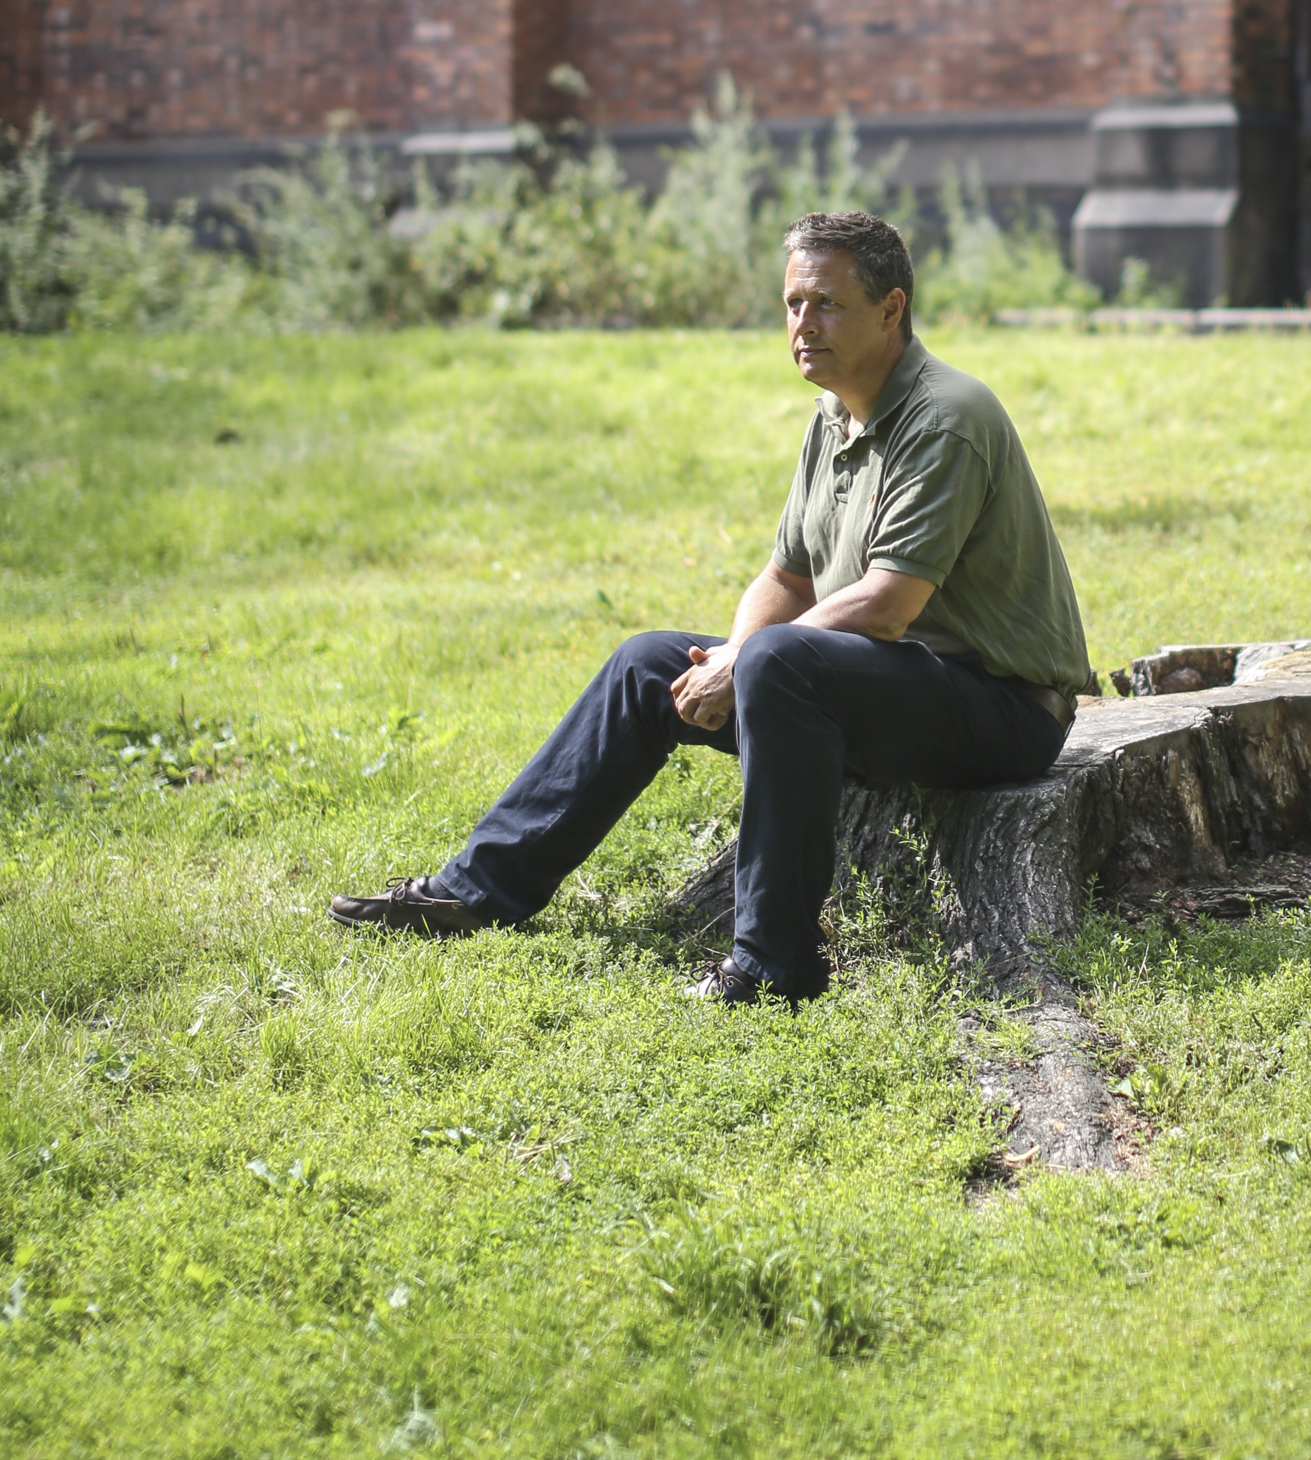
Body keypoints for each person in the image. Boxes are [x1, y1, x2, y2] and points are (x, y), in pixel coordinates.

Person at [329, 208, 1093, 1002]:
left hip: (1001, 711)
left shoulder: (947, 416)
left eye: (827, 303)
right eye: (793, 304)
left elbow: (888, 604)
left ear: (891, 309)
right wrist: (729, 656)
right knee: (645, 664)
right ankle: (480, 891)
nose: (804, 323)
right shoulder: (833, 417)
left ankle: (774, 964)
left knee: (778, 658)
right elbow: (787, 579)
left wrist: (751, 663)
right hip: (882, 683)